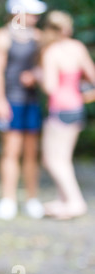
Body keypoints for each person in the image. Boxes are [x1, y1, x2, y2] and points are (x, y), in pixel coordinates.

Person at [0, 0, 47, 220]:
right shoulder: (2, 37)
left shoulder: (39, 38)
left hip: (32, 102)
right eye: (31, 13)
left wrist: (37, 75)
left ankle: (32, 199)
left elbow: (46, 65)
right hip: (11, 101)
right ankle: (8, 199)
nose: (35, 18)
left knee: (32, 152)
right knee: (11, 151)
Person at [39, 11, 95, 220]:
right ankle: (63, 200)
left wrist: (38, 75)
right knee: (63, 158)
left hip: (60, 109)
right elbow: (91, 75)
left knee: (53, 160)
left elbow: (50, 86)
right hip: (77, 107)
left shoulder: (51, 52)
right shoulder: (78, 47)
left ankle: (75, 202)